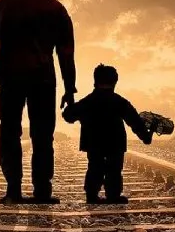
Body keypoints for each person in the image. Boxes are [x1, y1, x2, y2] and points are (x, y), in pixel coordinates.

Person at [0, 0, 76, 204]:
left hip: (10, 76)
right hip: (43, 78)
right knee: (43, 135)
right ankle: (42, 191)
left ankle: (13, 190)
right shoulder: (57, 9)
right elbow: (66, 53)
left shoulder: (6, 0)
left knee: (9, 131)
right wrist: (69, 89)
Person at [62, 63, 152, 204]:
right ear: (115, 82)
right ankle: (113, 195)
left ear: (95, 81)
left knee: (94, 167)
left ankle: (91, 195)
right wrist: (146, 137)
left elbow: (68, 116)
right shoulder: (119, 101)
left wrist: (70, 105)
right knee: (114, 169)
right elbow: (134, 120)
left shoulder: (87, 101)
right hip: (115, 143)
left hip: (93, 142)